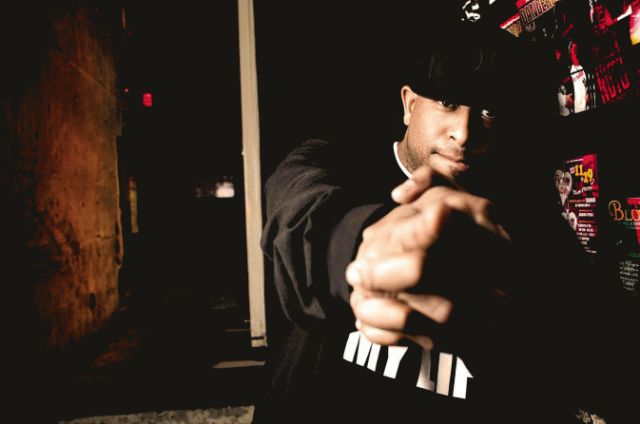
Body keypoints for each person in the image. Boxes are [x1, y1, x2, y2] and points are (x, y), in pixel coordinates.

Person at [255, 17, 635, 424]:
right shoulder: (340, 163)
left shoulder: (524, 218)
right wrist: (358, 246)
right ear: (409, 104)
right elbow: (297, 212)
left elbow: (600, 354)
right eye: (448, 102)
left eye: (487, 111)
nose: (464, 133)